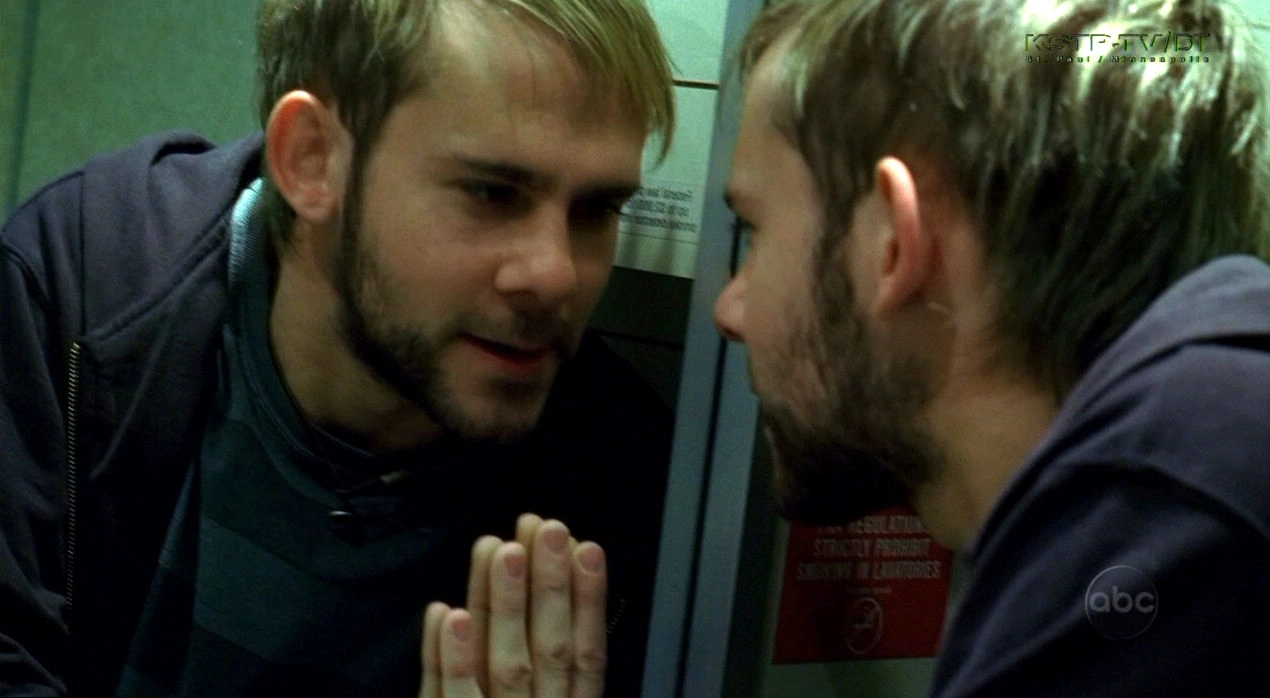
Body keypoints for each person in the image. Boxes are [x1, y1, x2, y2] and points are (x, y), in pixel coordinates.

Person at [0, 0, 676, 696]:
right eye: (491, 193)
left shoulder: (626, 482)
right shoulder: (87, 287)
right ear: (311, 159)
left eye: (596, 210)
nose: (556, 274)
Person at [713, 0, 1270, 695]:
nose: (729, 310)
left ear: (891, 244)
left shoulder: (1175, 507)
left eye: (755, 232)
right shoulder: (1201, 466)